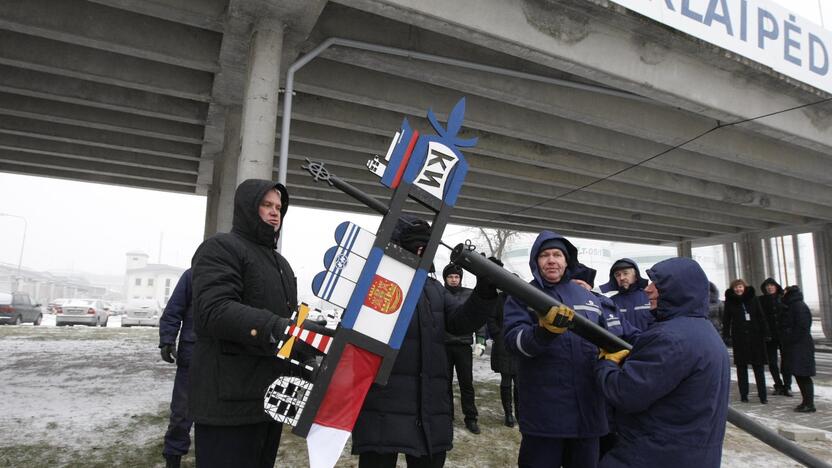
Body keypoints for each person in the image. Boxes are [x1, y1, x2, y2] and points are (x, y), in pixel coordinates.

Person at [189, 179, 329, 467]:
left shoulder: (281, 264)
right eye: (266, 205)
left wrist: (307, 341)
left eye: (279, 207)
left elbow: (285, 324)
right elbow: (215, 310)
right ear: (247, 207)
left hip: (269, 401)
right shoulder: (220, 248)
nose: (275, 212)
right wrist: (282, 329)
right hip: (227, 403)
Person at [351, 216, 499, 468]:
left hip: (427, 408)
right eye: (415, 245)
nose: (421, 251)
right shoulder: (374, 283)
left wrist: (484, 291)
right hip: (382, 407)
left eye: (425, 245)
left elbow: (460, 322)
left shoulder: (434, 289)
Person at [595, 257, 730, 468]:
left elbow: (625, 393)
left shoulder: (670, 338)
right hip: (694, 455)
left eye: (657, 284)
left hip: (653, 454)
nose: (648, 289)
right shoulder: (707, 333)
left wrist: (606, 364)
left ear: (678, 290)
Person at [503, 231, 608, 468]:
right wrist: (543, 333)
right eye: (545, 255)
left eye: (557, 255)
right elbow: (512, 342)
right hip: (545, 415)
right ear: (536, 262)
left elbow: (610, 338)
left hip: (588, 414)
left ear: (566, 261)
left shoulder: (587, 295)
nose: (551, 260)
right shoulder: (523, 295)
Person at [571, 263, 640, 459]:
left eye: (582, 285)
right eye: (573, 285)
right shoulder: (561, 309)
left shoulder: (609, 306)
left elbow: (632, 335)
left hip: (612, 387)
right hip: (581, 391)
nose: (578, 290)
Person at [441, 263, 484, 434]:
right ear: (445, 278)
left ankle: (471, 417)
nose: (453, 279)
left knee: (466, 383)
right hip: (444, 344)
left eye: (456, 277)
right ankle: (446, 416)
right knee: (444, 384)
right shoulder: (440, 293)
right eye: (450, 277)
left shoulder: (468, 294)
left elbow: (478, 316)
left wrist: (480, 339)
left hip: (463, 345)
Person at [159, 269, 194, 468]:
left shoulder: (236, 272)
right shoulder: (192, 275)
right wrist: (167, 339)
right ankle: (173, 459)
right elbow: (174, 308)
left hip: (224, 358)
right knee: (181, 413)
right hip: (192, 356)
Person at [723, 279, 770, 404]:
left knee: (758, 367)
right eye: (736, 288)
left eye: (740, 287)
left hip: (755, 336)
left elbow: (760, 316)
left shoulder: (753, 299)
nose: (738, 289)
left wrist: (765, 332)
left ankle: (763, 395)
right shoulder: (730, 302)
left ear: (744, 287)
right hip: (740, 338)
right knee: (741, 367)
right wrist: (726, 335)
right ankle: (744, 394)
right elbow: (727, 320)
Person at [781, 285, 817, 413]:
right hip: (797, 346)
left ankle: (809, 403)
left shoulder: (798, 306)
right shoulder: (794, 305)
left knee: (803, 375)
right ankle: (806, 401)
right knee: (799, 374)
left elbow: (802, 326)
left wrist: (790, 337)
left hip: (801, 346)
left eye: (784, 292)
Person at [486, 287, 517, 428]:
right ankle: (508, 414)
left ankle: (520, 413)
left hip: (518, 343)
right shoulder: (499, 300)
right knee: (506, 380)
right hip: (503, 344)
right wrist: (498, 334)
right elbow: (491, 318)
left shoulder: (521, 300)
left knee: (519, 382)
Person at [600, 259, 653, 332]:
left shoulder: (650, 298)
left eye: (625, 273)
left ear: (636, 276)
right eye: (618, 275)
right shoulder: (610, 303)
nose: (621, 278)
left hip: (649, 342)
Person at [758, 278, 790, 396]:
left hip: (783, 335)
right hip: (769, 336)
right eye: (767, 286)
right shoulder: (761, 300)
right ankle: (778, 385)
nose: (769, 287)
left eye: (771, 285)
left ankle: (787, 385)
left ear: (776, 286)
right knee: (772, 362)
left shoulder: (783, 299)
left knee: (786, 362)